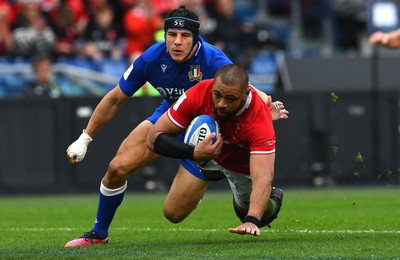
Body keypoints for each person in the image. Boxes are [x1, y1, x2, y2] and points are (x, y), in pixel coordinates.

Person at [64, 5, 288, 247]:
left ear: (195, 38)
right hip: (172, 118)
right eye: (172, 35)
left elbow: (246, 91)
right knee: (120, 170)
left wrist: (266, 106)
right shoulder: (152, 57)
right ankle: (99, 234)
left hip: (214, 131)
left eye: (184, 36)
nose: (177, 42)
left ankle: (227, 174)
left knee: (252, 213)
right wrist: (85, 137)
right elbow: (116, 98)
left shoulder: (214, 60)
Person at [146, 64, 282, 236]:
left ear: (246, 94)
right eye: (217, 95)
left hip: (238, 165)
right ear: (213, 86)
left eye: (230, 99)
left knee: (255, 217)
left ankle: (275, 197)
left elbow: (263, 178)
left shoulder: (259, 119)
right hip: (205, 155)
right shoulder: (200, 92)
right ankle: (211, 171)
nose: (221, 103)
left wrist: (252, 220)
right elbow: (153, 138)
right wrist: (193, 153)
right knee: (172, 214)